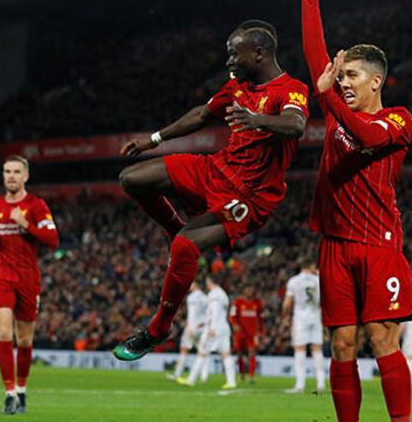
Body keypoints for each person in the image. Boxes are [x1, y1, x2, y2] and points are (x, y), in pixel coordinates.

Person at [113, 19, 310, 361]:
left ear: (259, 53)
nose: (229, 61)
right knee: (132, 179)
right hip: (216, 170)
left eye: (234, 54)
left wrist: (258, 120)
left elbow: (296, 124)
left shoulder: (291, 89)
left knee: (185, 247)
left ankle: (158, 329)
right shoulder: (237, 86)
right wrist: (154, 139)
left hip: (249, 196)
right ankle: (176, 228)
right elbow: (202, 115)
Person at [292, 0, 412, 420]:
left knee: (382, 337)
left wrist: (329, 98)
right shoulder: (337, 113)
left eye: (351, 76)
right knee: (342, 343)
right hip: (335, 244)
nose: (342, 81)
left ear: (375, 82)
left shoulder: (397, 120)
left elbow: (366, 137)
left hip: (378, 243)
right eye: (341, 75)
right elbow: (316, 59)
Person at [0, 155, 59, 415]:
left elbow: (53, 239)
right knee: (4, 333)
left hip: (27, 278)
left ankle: (22, 390)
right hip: (0, 275)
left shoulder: (36, 205)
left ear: (25, 176)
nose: (11, 176)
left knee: (24, 339)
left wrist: (26, 224)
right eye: (7, 171)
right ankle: (9, 393)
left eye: (16, 172)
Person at [178, 276, 237, 390]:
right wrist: (204, 322)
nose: (206, 284)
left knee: (202, 352)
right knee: (226, 354)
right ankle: (231, 381)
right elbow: (220, 312)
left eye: (207, 282)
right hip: (224, 328)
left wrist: (211, 327)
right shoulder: (223, 294)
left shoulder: (214, 294)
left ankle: (191, 380)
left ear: (210, 282)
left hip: (214, 329)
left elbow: (215, 312)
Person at [282, 261, 325, 394]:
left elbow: (287, 303)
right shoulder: (319, 280)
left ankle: (300, 385)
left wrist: (285, 317)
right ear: (311, 266)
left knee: (299, 349)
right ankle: (321, 384)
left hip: (300, 318)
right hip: (315, 316)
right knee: (317, 349)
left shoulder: (294, 281)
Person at [168, 283, 208, 381]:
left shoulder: (192, 297)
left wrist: (189, 326)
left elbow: (192, 314)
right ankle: (204, 376)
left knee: (184, 349)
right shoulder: (205, 297)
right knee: (202, 351)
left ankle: (177, 374)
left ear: (195, 286)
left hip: (192, 327)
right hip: (203, 327)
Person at [230, 286, 265, 384]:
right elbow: (232, 315)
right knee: (240, 353)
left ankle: (252, 376)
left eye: (251, 290)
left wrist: (261, 332)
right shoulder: (238, 302)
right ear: (244, 292)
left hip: (252, 333)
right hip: (240, 332)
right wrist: (234, 324)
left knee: (252, 353)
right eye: (248, 290)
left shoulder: (257, 303)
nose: (249, 292)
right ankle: (241, 374)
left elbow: (261, 319)